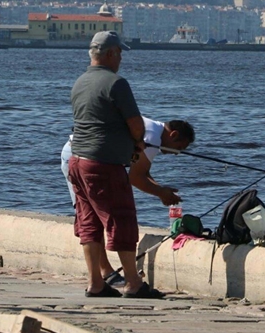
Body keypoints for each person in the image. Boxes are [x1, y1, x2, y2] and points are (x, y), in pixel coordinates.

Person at [68, 31, 161, 299]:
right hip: (103, 165)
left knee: (89, 224)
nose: (121, 57)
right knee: (121, 219)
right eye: (119, 52)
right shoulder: (117, 83)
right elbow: (135, 124)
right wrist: (138, 143)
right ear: (109, 53)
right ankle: (133, 283)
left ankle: (95, 283)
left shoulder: (80, 82)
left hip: (77, 162)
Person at [61, 117, 195, 285]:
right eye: (179, 147)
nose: (177, 153)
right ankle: (109, 274)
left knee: (92, 217)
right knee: (96, 218)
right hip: (82, 157)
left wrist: (161, 189)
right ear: (173, 135)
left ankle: (103, 275)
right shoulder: (153, 136)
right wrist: (161, 193)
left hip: (77, 154)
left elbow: (143, 172)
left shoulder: (153, 130)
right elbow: (135, 178)